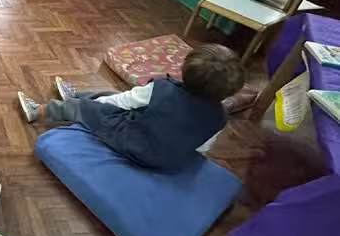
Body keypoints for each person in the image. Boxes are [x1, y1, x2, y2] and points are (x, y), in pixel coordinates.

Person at [17, 44, 245, 172]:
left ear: (186, 70)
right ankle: (75, 96)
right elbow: (203, 148)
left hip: (134, 144)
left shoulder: (163, 89)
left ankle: (39, 110)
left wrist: (89, 107)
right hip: (167, 161)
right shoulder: (220, 117)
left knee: (95, 104)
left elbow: (118, 102)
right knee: (125, 99)